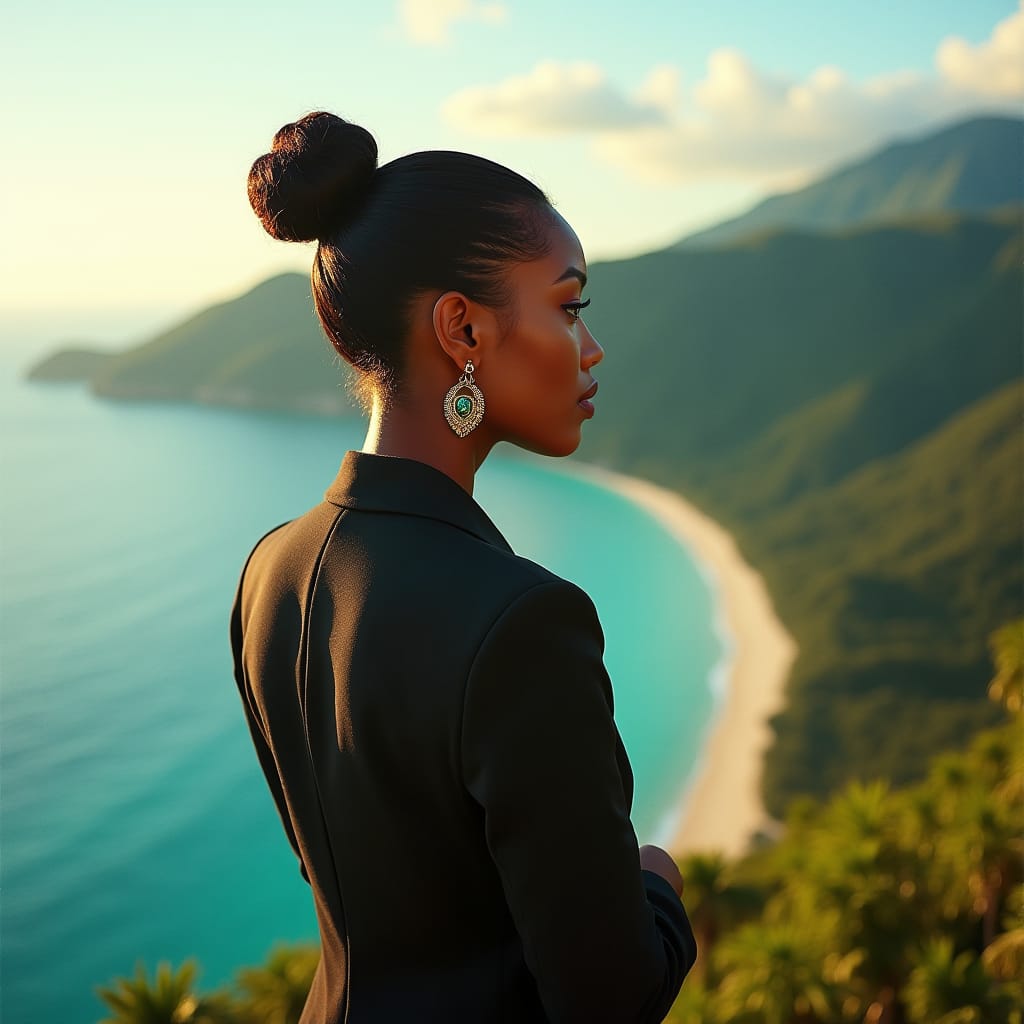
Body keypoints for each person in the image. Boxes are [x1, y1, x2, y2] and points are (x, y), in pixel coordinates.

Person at [230, 111, 697, 1023]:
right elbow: (610, 998)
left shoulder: (268, 574)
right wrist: (659, 885)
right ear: (462, 329)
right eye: (569, 308)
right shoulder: (521, 620)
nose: (591, 348)